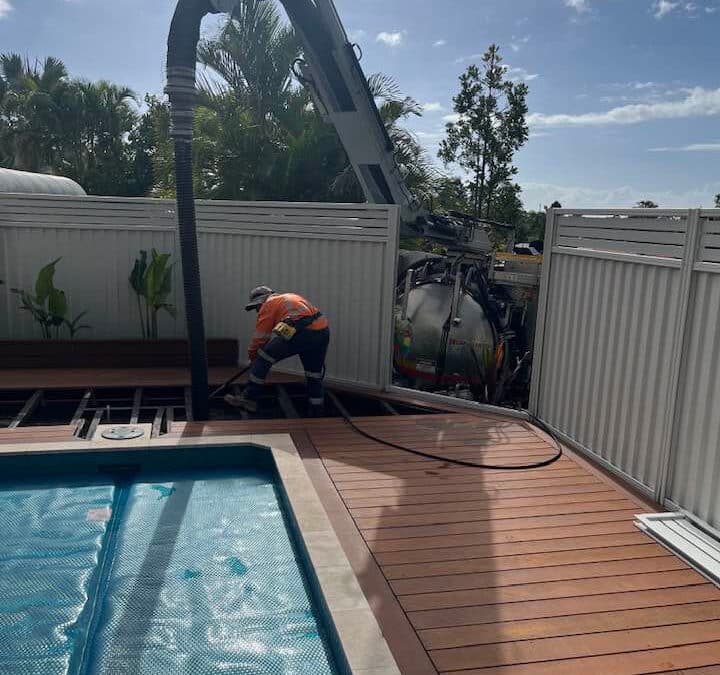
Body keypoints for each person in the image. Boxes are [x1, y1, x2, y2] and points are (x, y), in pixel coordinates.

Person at [225, 286, 330, 416]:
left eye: (256, 307)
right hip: (322, 331)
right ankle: (316, 410)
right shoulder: (290, 297)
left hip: (301, 333)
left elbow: (260, 339)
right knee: (313, 374)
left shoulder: (268, 305)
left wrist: (254, 359)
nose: (257, 311)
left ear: (261, 301)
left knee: (262, 357)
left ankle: (248, 399)